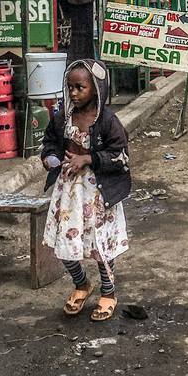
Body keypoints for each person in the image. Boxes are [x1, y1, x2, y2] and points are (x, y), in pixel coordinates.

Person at [41, 60, 131, 321]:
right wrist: (49, 157)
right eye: (70, 87)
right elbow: (50, 143)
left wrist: (89, 159)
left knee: (100, 244)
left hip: (97, 193)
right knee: (64, 243)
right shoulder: (62, 119)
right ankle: (81, 284)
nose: (73, 93)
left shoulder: (107, 121)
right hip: (68, 192)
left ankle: (108, 292)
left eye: (80, 87)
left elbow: (120, 154)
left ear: (96, 89)